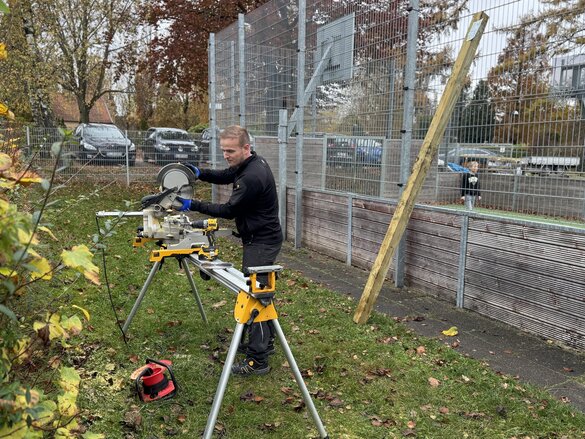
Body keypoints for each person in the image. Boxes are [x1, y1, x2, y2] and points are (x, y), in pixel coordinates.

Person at [174, 125, 283, 376]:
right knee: (259, 290)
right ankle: (265, 343)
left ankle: (258, 361)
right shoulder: (249, 164)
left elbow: (228, 210)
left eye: (231, 151)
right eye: (224, 150)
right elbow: (226, 174)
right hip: (259, 237)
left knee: (256, 296)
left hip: (262, 241)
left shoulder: (251, 177)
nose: (226, 155)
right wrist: (200, 173)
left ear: (246, 147)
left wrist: (192, 204)